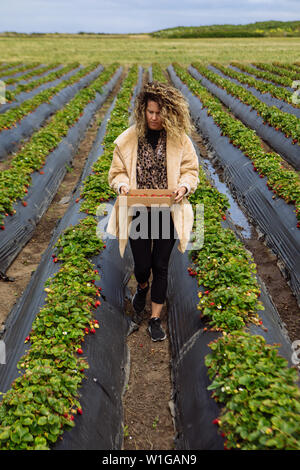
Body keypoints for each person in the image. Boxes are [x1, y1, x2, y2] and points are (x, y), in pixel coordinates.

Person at [106, 80, 199, 341]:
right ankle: (141, 287)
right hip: (139, 209)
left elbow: (191, 172)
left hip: (167, 211)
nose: (154, 117)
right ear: (142, 111)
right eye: (150, 112)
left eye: (159, 113)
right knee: (142, 265)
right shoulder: (128, 140)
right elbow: (117, 172)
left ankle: (155, 318)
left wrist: (183, 188)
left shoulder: (180, 141)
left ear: (169, 113)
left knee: (161, 265)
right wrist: (122, 185)